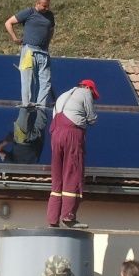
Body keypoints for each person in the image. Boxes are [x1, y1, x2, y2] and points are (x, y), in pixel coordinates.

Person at [47, 79, 98, 229]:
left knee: (57, 176)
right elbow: (91, 118)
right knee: (73, 173)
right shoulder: (85, 92)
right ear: (88, 87)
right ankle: (68, 217)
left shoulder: (63, 95)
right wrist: (92, 119)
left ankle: (52, 219)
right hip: (72, 134)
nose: (93, 97)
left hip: (56, 135)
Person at [5, 0, 55, 107]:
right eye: (44, 6)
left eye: (48, 6)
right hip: (29, 51)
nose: (46, 8)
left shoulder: (50, 15)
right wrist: (14, 38)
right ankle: (26, 104)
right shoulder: (29, 12)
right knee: (27, 79)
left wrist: (48, 42)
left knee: (45, 80)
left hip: (43, 52)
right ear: (37, 3)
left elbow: (51, 29)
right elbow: (8, 23)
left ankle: (40, 105)